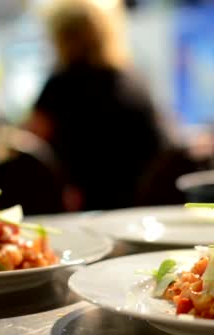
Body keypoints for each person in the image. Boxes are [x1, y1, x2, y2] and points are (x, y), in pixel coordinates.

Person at [25, 0, 167, 211]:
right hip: (138, 204)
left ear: (62, 37)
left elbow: (29, 143)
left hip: (82, 208)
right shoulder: (132, 80)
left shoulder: (62, 85)